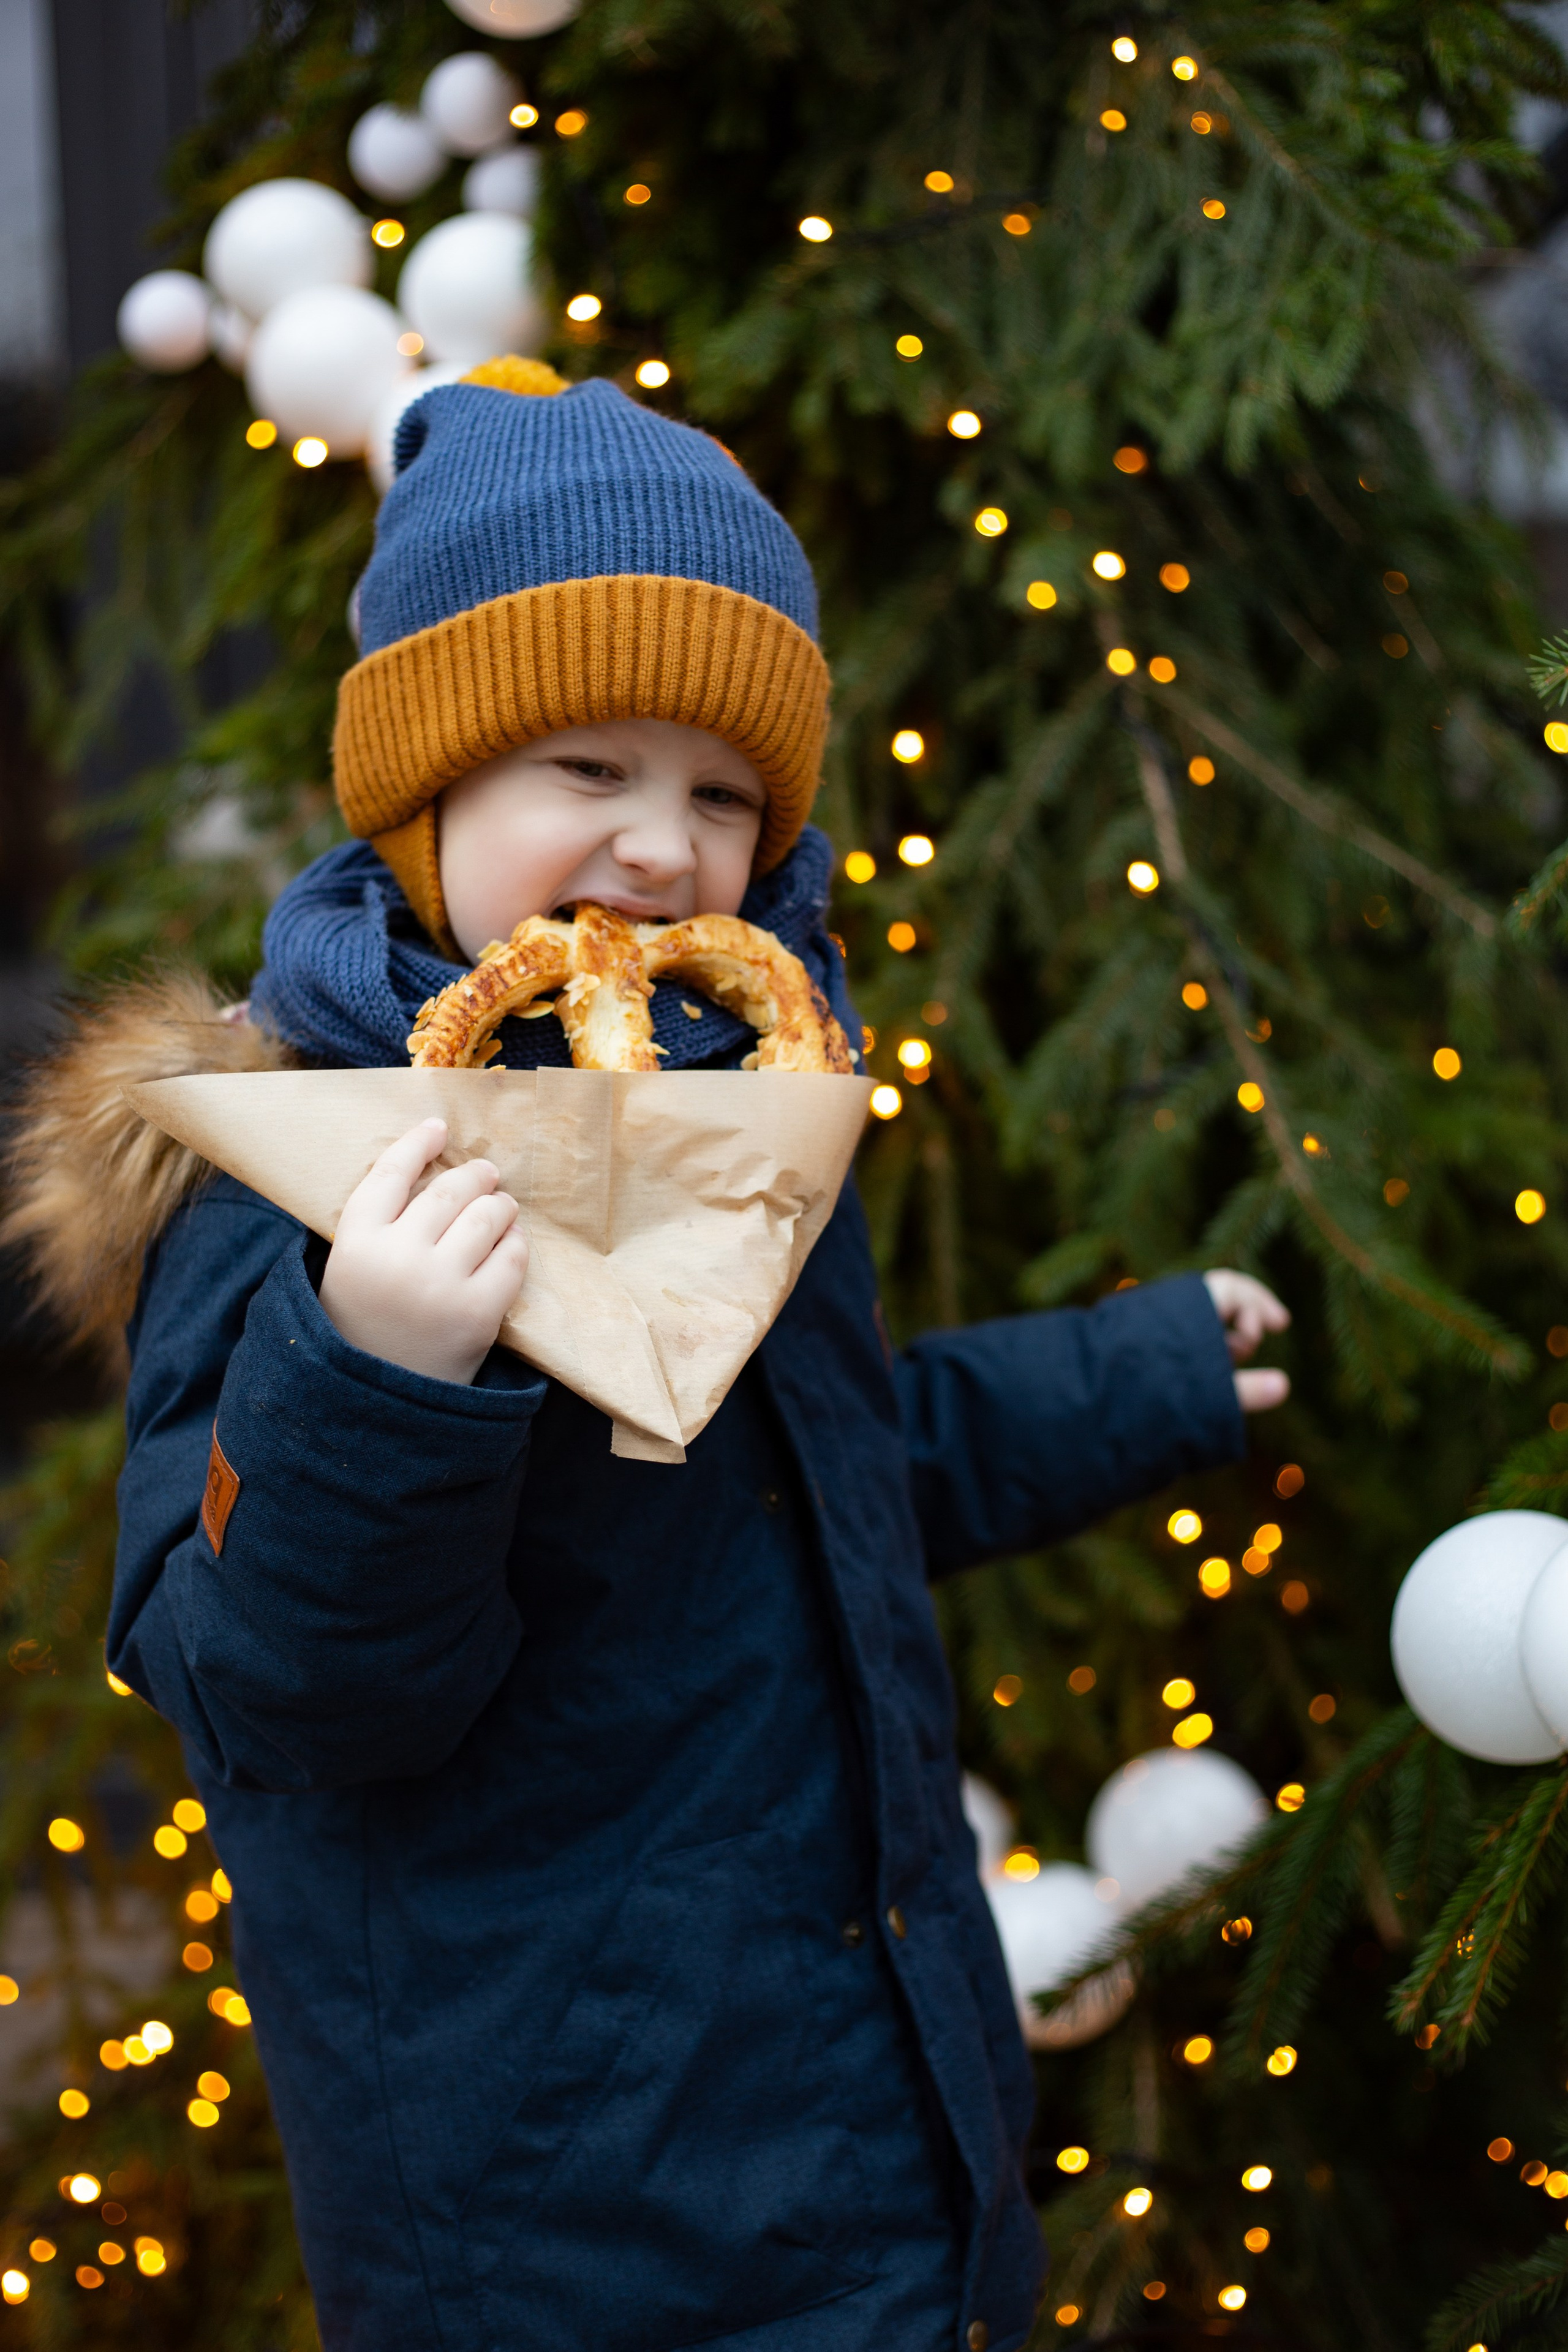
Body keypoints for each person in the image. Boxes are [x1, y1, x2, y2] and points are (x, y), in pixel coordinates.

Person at [15, 361, 1289, 2352]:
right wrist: (377, 1377)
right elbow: (258, 1686)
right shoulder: (298, 1166)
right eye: (585, 773)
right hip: (552, 2201)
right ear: (426, 794)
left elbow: (833, 1471)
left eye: (719, 793)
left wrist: (1136, 1374)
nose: (659, 850)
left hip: (874, 2109)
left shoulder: (744, 1113)